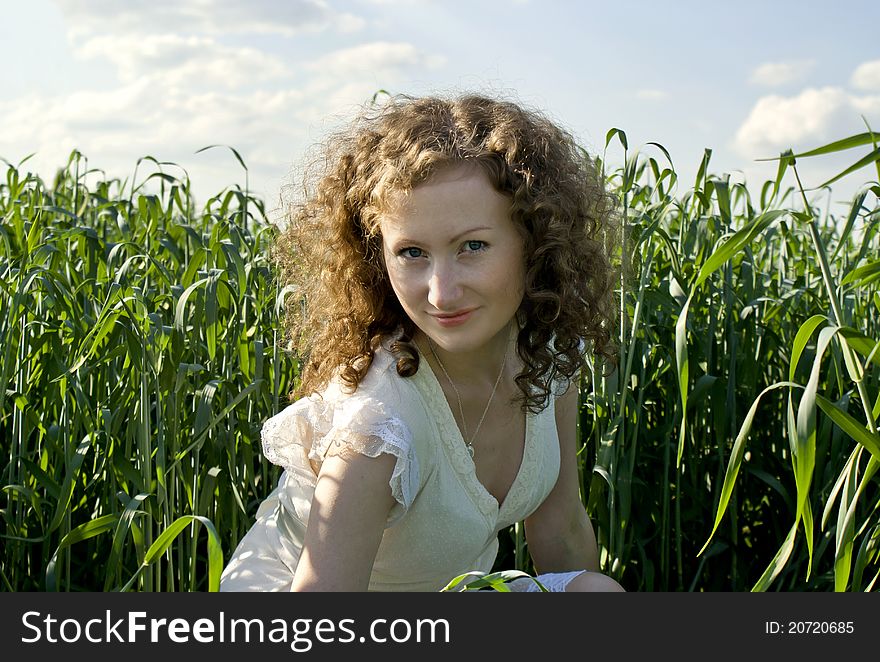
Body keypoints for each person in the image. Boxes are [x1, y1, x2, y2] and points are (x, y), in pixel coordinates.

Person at [220, 92, 624, 592]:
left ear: (536, 242)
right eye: (412, 252)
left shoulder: (547, 357)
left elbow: (561, 532)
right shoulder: (377, 426)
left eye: (472, 246)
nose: (441, 293)